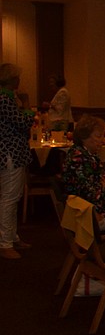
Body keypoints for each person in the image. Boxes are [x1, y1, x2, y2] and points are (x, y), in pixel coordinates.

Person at [62, 114, 105, 233]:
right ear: (84, 137)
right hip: (89, 216)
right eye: (98, 136)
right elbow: (91, 194)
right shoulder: (78, 158)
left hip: (98, 209)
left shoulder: (88, 155)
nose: (102, 140)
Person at [0, 64, 35, 260]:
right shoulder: (5, 99)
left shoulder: (6, 98)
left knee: (11, 197)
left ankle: (11, 237)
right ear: (13, 80)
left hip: (10, 153)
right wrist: (28, 104)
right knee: (9, 198)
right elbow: (22, 123)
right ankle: (5, 242)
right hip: (10, 153)